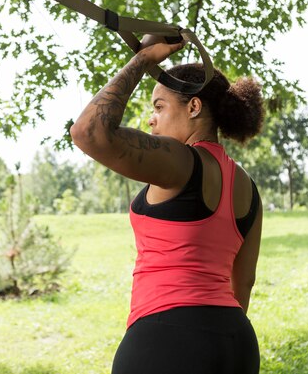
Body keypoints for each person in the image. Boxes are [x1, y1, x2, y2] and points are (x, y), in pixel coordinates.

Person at [70, 35, 264, 374]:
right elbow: (243, 284)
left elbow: (89, 132)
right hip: (236, 342)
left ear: (193, 107)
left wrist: (142, 60)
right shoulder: (246, 185)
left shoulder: (181, 161)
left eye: (159, 107)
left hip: (167, 338)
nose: (151, 119)